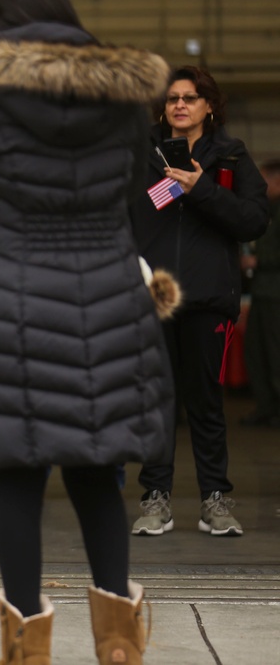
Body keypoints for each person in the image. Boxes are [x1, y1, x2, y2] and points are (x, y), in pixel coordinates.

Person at [0, 0, 175, 661]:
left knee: (17, 472)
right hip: (110, 301)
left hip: (12, 302)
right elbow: (137, 204)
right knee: (98, 467)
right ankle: (119, 639)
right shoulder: (122, 103)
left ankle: (26, 648)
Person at [130, 66, 270, 539]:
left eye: (191, 97)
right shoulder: (140, 154)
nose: (180, 105)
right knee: (155, 401)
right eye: (172, 98)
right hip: (153, 300)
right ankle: (155, 498)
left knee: (207, 403)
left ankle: (215, 500)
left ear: (209, 106)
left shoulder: (230, 155)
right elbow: (116, 217)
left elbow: (253, 220)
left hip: (210, 298)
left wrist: (201, 188)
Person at [241, 159, 280, 428]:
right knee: (257, 352)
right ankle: (265, 407)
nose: (261, 187)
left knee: (275, 354)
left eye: (265, 181)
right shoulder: (270, 211)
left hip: (275, 294)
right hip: (262, 293)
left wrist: (258, 261)